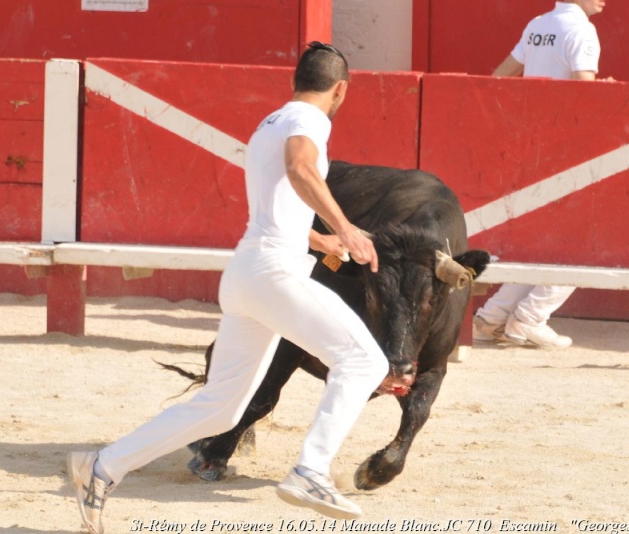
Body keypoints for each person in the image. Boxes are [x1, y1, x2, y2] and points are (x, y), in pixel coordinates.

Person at [68, 42, 389, 534]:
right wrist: (344, 227)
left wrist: (318, 236)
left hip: (248, 271)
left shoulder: (269, 122)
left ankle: (102, 467)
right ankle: (311, 470)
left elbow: (277, 201)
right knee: (366, 360)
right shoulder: (312, 122)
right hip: (272, 273)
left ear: (293, 81)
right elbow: (301, 166)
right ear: (340, 90)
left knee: (220, 408)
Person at [474, 0, 608, 349]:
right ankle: (529, 319)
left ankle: (493, 315)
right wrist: (604, 92)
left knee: (543, 241)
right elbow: (584, 95)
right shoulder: (581, 30)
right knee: (581, 242)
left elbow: (498, 78)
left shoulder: (537, 25)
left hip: (531, 147)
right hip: (568, 150)